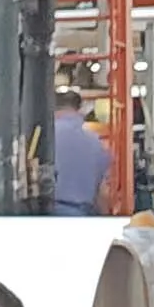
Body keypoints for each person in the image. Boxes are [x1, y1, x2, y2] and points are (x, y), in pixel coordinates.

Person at [51, 87, 113, 215]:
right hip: (83, 216)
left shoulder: (44, 137)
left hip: (46, 215)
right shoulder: (96, 143)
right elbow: (103, 193)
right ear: (79, 110)